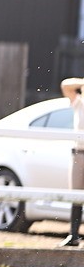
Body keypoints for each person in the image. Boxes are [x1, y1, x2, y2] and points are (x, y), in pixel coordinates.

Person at [60, 76, 84, 246]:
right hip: (79, 153)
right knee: (75, 194)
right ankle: (73, 235)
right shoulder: (79, 103)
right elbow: (65, 85)